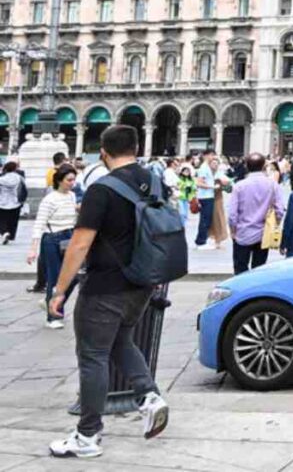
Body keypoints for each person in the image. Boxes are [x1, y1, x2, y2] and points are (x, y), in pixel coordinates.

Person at [46, 125, 169, 458]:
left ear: (103, 151)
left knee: (92, 356)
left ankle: (87, 435)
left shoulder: (101, 190)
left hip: (105, 287)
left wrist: (59, 290)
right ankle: (149, 396)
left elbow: (80, 243)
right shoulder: (154, 181)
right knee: (120, 342)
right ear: (138, 147)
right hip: (142, 282)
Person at [28, 164, 79, 329]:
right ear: (59, 180)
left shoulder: (72, 196)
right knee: (55, 278)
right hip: (52, 238)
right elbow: (39, 224)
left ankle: (50, 302)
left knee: (74, 276)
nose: (72, 183)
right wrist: (33, 249)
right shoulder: (49, 199)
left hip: (69, 237)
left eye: (73, 179)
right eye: (69, 180)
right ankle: (53, 316)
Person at [227, 153, 285, 274]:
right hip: (264, 233)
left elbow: (232, 214)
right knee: (259, 269)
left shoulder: (239, 186)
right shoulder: (273, 185)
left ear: (247, 166)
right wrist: (275, 224)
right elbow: (280, 210)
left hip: (243, 233)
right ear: (264, 166)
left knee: (240, 269)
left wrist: (233, 230)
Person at [0, 161, 25, 246]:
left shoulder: (1, 179)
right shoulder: (19, 178)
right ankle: (11, 234)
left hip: (2, 202)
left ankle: (4, 232)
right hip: (15, 202)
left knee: (2, 220)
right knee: (13, 221)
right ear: (15, 169)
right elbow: (24, 189)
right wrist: (22, 200)